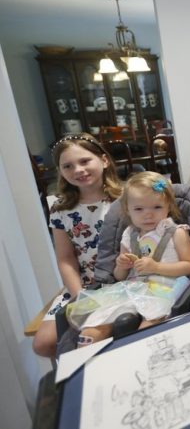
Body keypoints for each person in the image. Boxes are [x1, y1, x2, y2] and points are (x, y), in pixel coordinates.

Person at [66, 172, 190, 346]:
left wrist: (156, 267)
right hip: (132, 288)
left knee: (149, 326)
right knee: (99, 319)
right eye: (139, 209)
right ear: (128, 210)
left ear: (168, 206)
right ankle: (89, 350)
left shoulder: (176, 232)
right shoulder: (129, 235)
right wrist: (122, 265)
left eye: (157, 207)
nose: (148, 215)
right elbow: (120, 276)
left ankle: (143, 348)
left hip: (166, 287)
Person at [32, 133, 123, 358]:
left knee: (98, 336)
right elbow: (65, 258)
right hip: (82, 286)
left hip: (124, 282)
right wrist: (79, 295)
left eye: (84, 161)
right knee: (43, 344)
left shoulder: (127, 199)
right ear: (61, 172)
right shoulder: (60, 210)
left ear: (103, 160)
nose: (78, 170)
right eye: (68, 166)